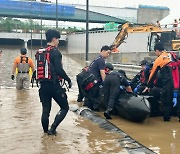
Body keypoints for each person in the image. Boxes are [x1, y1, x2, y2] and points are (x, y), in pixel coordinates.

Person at [37, 29, 72, 135]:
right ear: (53, 39)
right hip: (54, 85)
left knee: (46, 109)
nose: (58, 42)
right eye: (58, 39)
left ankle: (45, 132)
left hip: (42, 86)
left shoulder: (40, 51)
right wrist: (68, 79)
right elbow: (59, 70)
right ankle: (52, 129)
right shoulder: (55, 52)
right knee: (65, 107)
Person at [143, 42, 174, 121]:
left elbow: (153, 74)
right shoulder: (171, 55)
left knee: (166, 99)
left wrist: (148, 86)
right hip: (176, 80)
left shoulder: (159, 59)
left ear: (157, 50)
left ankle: (166, 119)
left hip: (168, 82)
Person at [86, 45, 111, 111]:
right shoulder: (101, 60)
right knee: (95, 99)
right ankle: (94, 113)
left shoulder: (96, 58)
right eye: (108, 53)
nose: (108, 55)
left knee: (89, 98)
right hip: (94, 83)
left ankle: (87, 113)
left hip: (89, 81)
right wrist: (106, 84)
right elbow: (102, 73)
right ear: (103, 51)